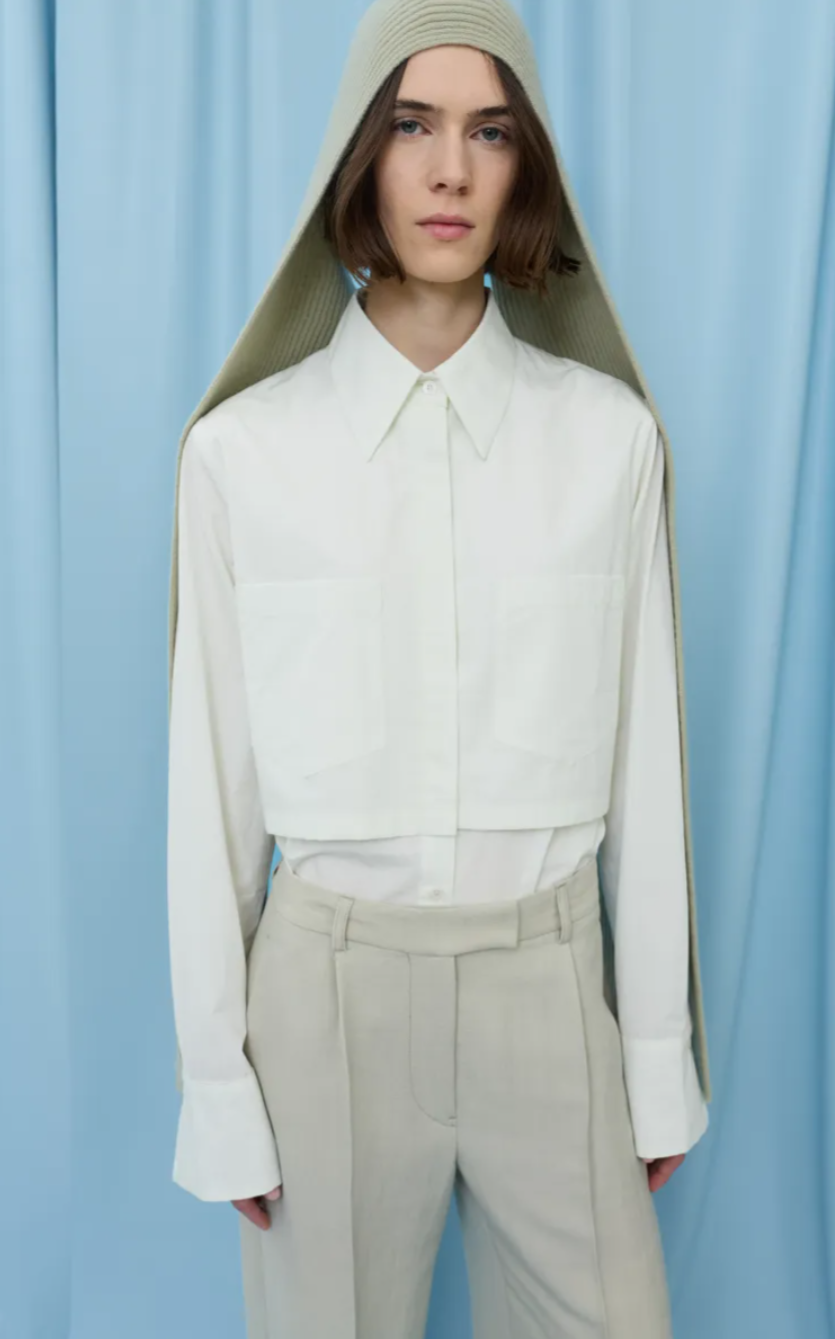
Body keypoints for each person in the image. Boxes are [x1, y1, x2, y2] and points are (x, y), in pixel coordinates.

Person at [165, 0, 713, 1334]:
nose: (451, 170)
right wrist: (219, 1085)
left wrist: (655, 1054)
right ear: (360, 155)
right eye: (412, 126)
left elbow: (648, 776)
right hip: (326, 1003)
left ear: (529, 165)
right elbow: (211, 792)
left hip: (550, 985)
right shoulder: (242, 455)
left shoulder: (611, 443)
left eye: (490, 132)